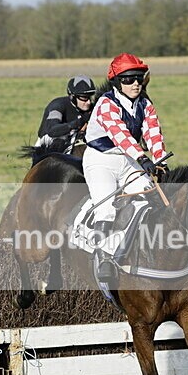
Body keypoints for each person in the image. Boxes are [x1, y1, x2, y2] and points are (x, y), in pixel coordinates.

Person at [83, 52, 169, 282]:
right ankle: (103, 258)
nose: (135, 84)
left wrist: (160, 161)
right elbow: (121, 136)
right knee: (106, 209)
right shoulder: (105, 104)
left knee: (148, 200)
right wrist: (143, 159)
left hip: (130, 160)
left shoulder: (145, 104)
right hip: (101, 160)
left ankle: (141, 252)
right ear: (117, 83)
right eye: (128, 79)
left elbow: (153, 133)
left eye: (139, 79)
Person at [34, 76, 96, 153]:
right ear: (72, 97)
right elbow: (52, 131)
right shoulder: (58, 105)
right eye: (84, 98)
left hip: (72, 142)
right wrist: (77, 123)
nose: (88, 102)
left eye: (90, 97)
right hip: (48, 145)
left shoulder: (92, 107)